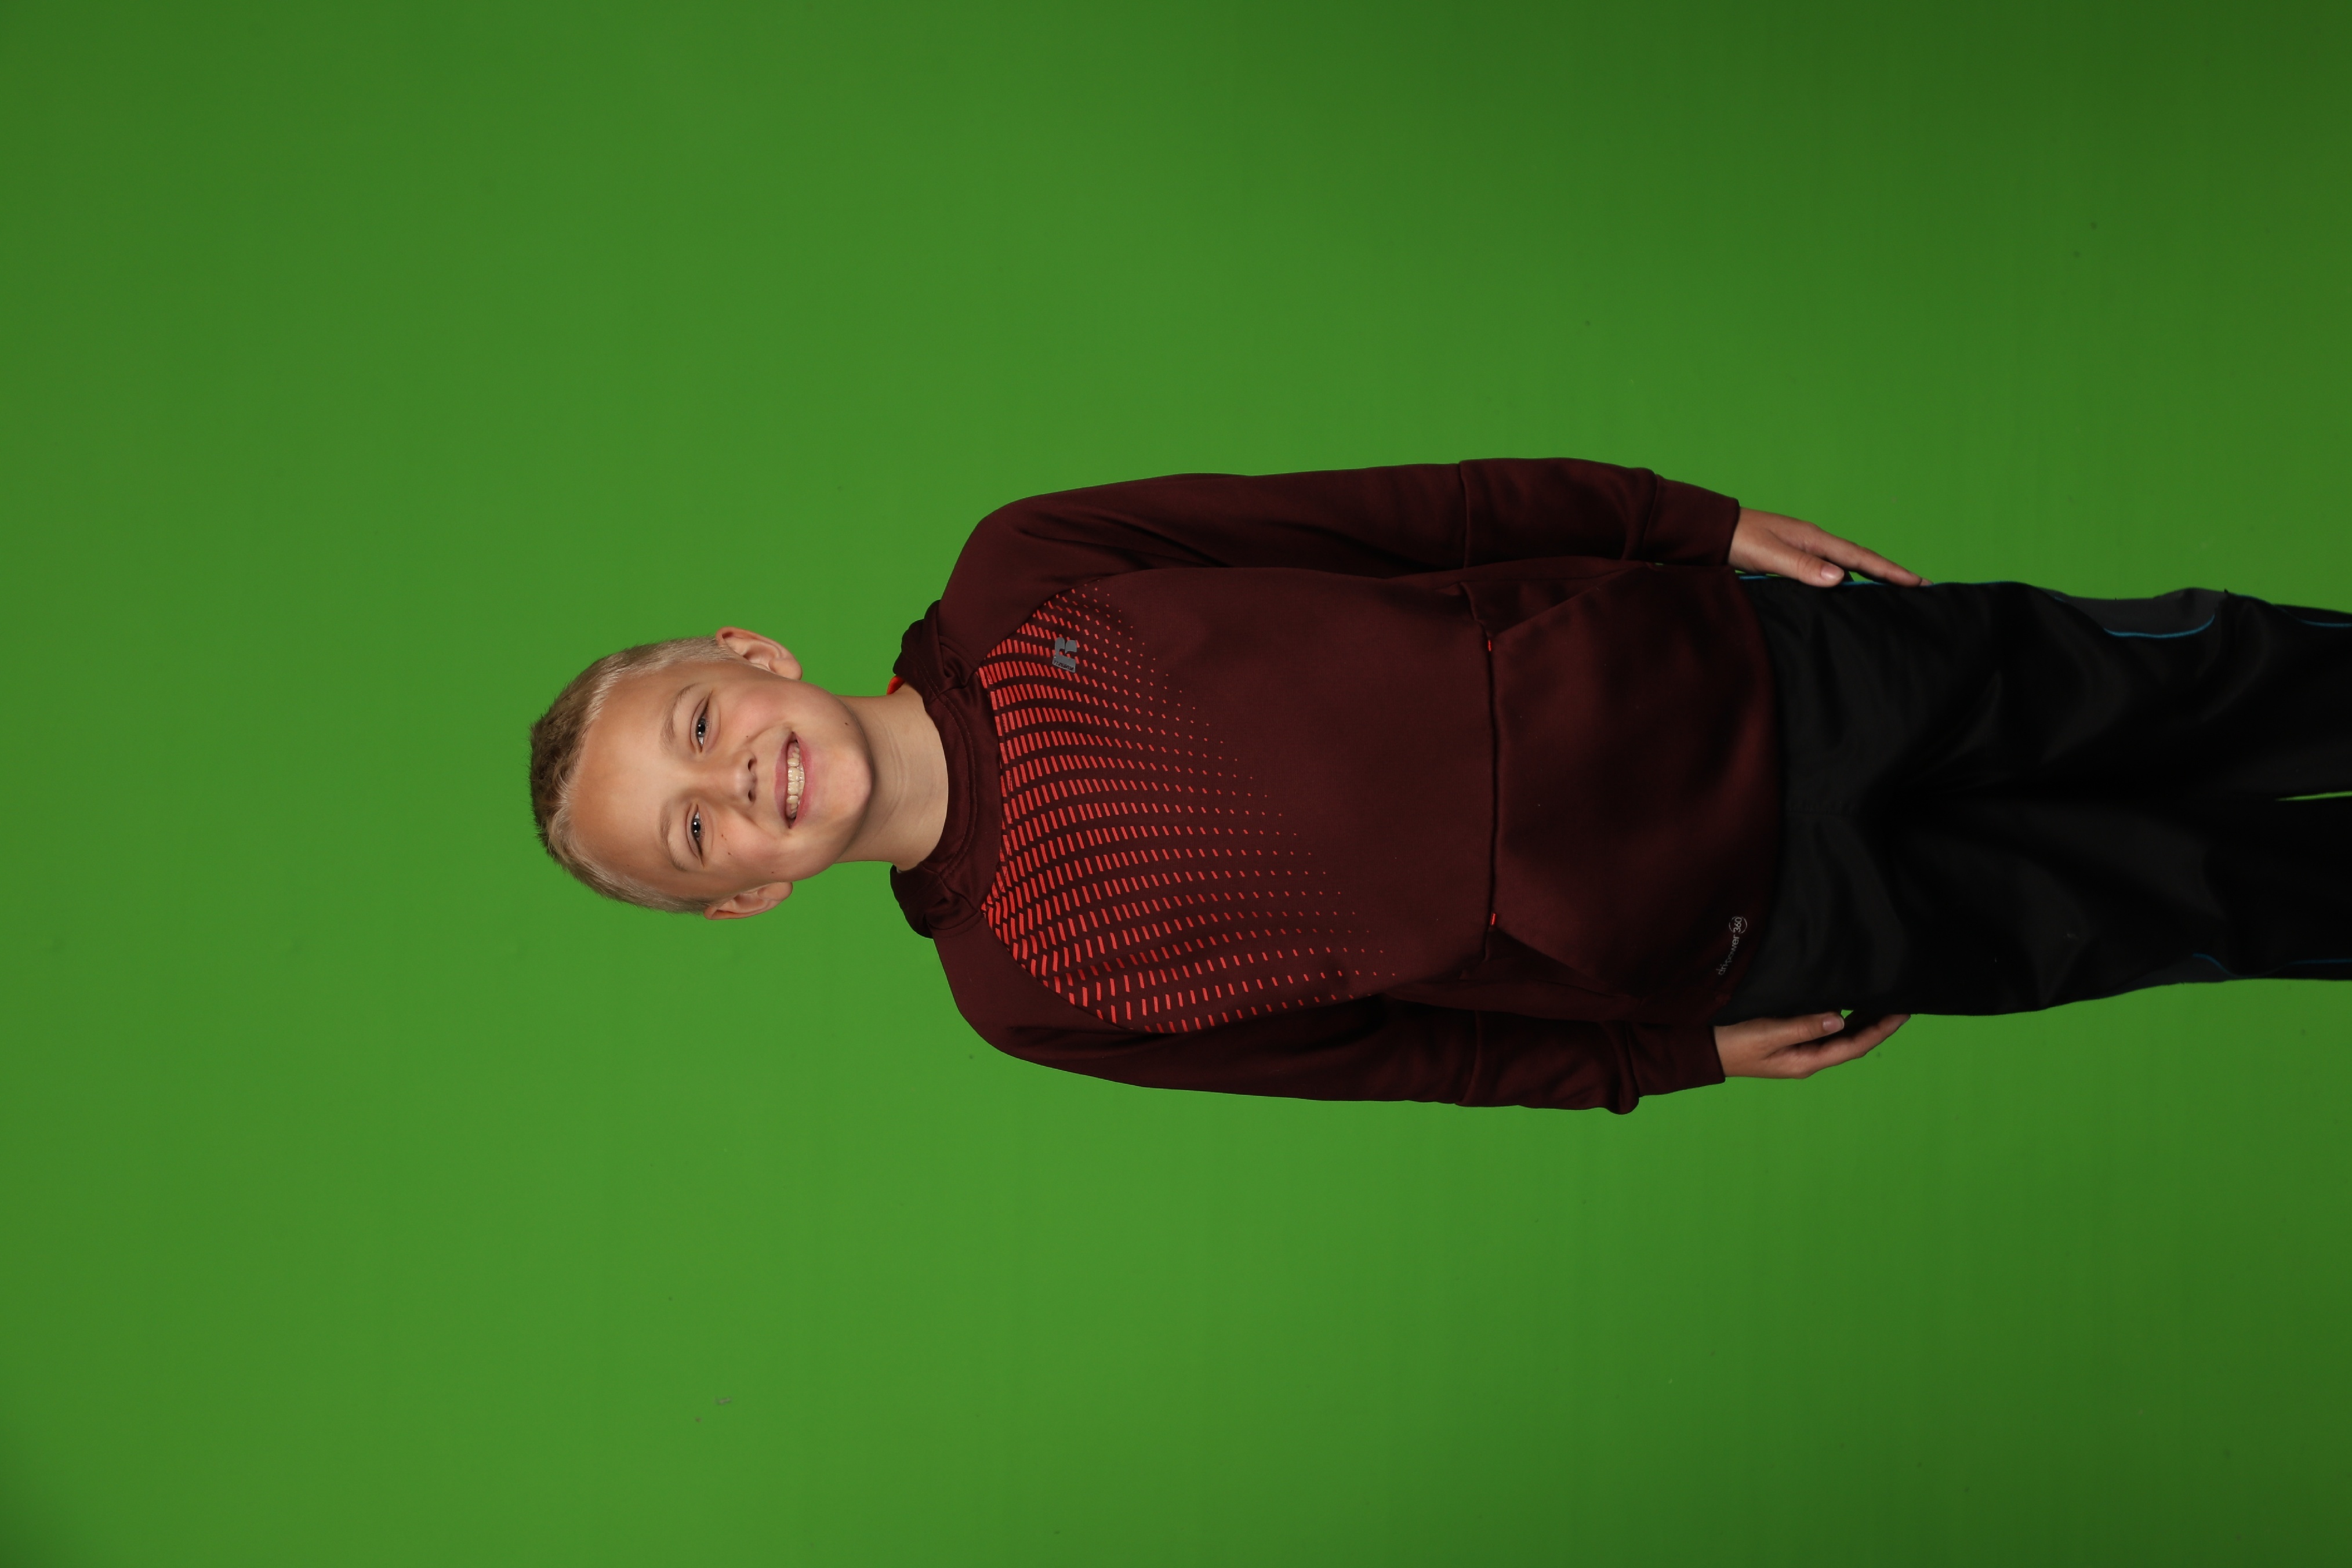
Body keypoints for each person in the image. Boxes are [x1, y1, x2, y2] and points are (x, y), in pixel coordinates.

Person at [526, 460, 2352, 1112]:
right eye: (696, 834)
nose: (736, 782)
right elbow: (1395, 1055)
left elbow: (1397, 518)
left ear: (745, 654)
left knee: (2166, 684)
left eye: (695, 724)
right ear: (744, 895)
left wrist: (1684, 523)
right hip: (1718, 932)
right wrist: (1665, 1059)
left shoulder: (1026, 574)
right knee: (2157, 908)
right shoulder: (1020, 987)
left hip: (1733, 670)